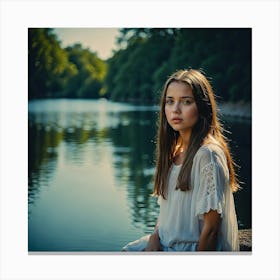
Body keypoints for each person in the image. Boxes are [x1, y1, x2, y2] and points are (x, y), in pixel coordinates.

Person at [122, 69, 240, 252]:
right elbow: (166, 213)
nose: (175, 109)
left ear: (202, 107)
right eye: (170, 101)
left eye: (186, 102)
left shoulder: (207, 155)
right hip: (164, 242)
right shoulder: (174, 152)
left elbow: (211, 230)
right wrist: (154, 238)